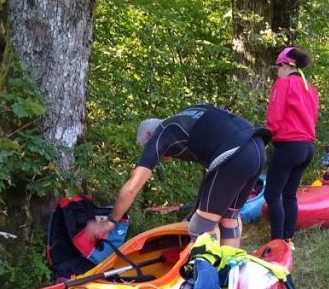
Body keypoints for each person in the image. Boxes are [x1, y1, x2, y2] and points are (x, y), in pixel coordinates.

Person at [88, 106, 269, 248]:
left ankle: (208, 284)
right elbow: (212, 182)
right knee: (229, 218)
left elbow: (132, 187)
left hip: (234, 153)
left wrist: (111, 221)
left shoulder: (161, 134)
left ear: (150, 135)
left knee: (202, 227)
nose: (160, 158)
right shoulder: (186, 118)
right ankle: (230, 273)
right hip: (257, 146)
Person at [264, 46, 319, 244]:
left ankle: (277, 241)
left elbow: (275, 116)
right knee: (289, 195)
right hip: (306, 148)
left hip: (288, 147)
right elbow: (313, 117)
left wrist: (266, 134)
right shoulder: (309, 87)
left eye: (277, 67)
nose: (277, 71)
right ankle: (289, 238)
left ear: (285, 66)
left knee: (272, 195)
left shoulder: (283, 83)